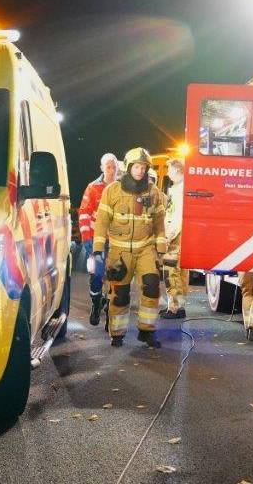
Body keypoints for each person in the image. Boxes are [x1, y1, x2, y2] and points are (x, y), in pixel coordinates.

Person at [92, 147, 166, 348]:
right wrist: (98, 249)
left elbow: (159, 222)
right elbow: (101, 221)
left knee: (152, 286)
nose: (141, 171)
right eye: (137, 166)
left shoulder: (154, 192)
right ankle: (117, 333)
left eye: (144, 167)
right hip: (119, 252)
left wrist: (161, 248)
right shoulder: (112, 191)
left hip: (146, 249)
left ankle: (147, 330)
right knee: (120, 293)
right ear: (128, 167)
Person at [78, 152, 118, 325]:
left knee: (115, 276)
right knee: (96, 274)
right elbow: (84, 213)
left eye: (114, 167)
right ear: (102, 168)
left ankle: (110, 308)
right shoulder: (93, 187)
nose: (111, 170)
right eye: (108, 167)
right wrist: (87, 240)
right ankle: (96, 304)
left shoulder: (123, 188)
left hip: (117, 241)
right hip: (97, 241)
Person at [159, 157, 187, 320]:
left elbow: (176, 217)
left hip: (175, 237)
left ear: (177, 170)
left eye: (169, 170)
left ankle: (174, 308)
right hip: (179, 236)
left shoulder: (179, 191)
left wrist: (168, 237)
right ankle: (178, 306)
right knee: (180, 272)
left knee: (170, 272)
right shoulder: (180, 188)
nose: (168, 174)